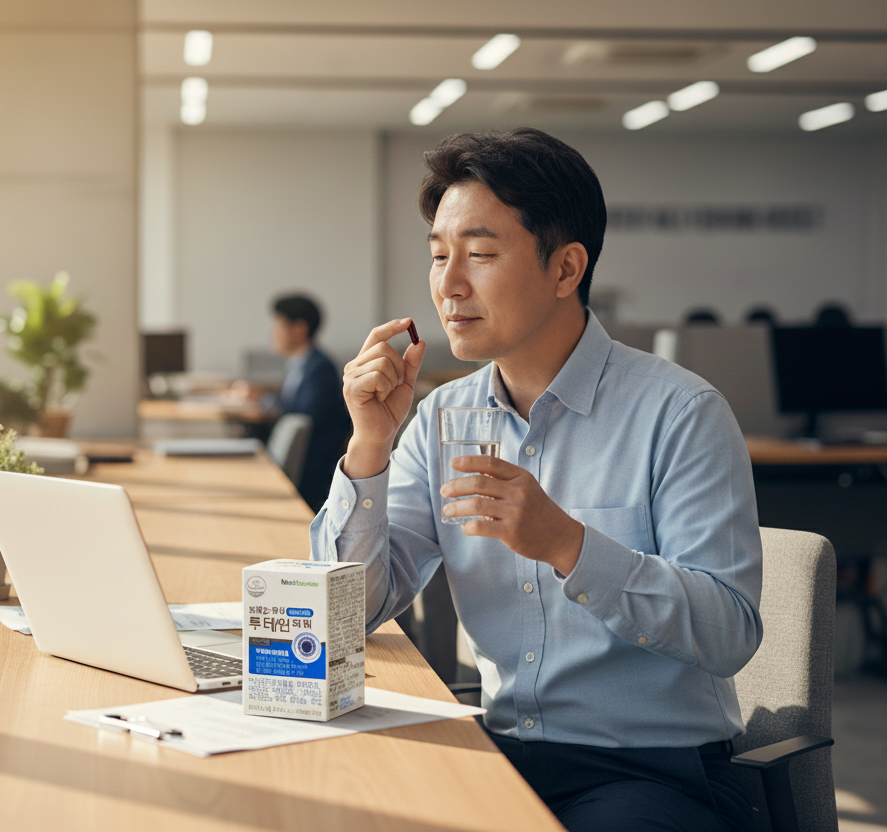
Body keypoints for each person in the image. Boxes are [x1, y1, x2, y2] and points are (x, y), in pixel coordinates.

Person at [311, 129, 761, 832]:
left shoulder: (680, 412)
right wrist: (369, 445)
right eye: (438, 255)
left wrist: (570, 545)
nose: (449, 282)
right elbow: (348, 613)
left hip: (652, 771)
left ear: (566, 268)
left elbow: (730, 631)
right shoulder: (441, 418)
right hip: (502, 753)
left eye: (481, 254)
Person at [267, 293, 351, 511]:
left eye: (278, 325)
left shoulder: (320, 368)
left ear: (299, 328)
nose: (273, 333)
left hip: (310, 471)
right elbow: (289, 402)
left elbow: (302, 416)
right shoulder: (301, 364)